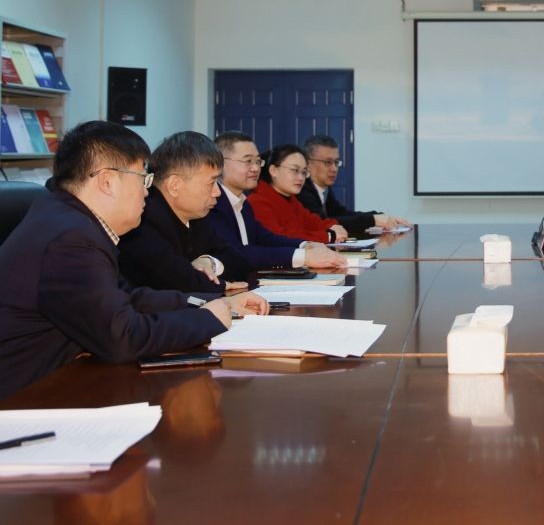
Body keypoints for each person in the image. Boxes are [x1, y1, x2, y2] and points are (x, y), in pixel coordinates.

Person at [0, 121, 267, 398]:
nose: (147, 192)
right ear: (107, 181)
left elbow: (129, 297)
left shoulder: (68, 220)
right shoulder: (71, 238)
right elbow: (122, 337)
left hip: (56, 378)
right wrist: (208, 320)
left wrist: (215, 303)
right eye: (143, 179)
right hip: (23, 398)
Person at [118, 132, 251, 293]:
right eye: (211, 183)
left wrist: (209, 262)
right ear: (175, 185)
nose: (217, 192)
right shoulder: (142, 220)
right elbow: (178, 281)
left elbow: (240, 262)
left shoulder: (196, 218)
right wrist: (219, 285)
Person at [208, 132, 346, 270]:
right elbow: (237, 253)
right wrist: (303, 256)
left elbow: (266, 238)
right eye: (248, 161)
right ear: (221, 163)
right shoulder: (212, 204)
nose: (255, 168)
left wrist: (305, 245)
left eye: (257, 161)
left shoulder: (243, 204)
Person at [299, 134, 409, 233]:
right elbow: (323, 223)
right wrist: (373, 220)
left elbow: (341, 214)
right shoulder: (302, 190)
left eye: (336, 162)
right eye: (328, 162)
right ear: (308, 163)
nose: (334, 169)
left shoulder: (323, 188)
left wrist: (378, 216)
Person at [248, 144, 348, 244]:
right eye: (294, 170)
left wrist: (333, 226)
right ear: (273, 170)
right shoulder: (258, 201)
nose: (301, 178)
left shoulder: (291, 199)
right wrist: (328, 236)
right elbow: (280, 238)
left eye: (304, 172)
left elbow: (313, 222)